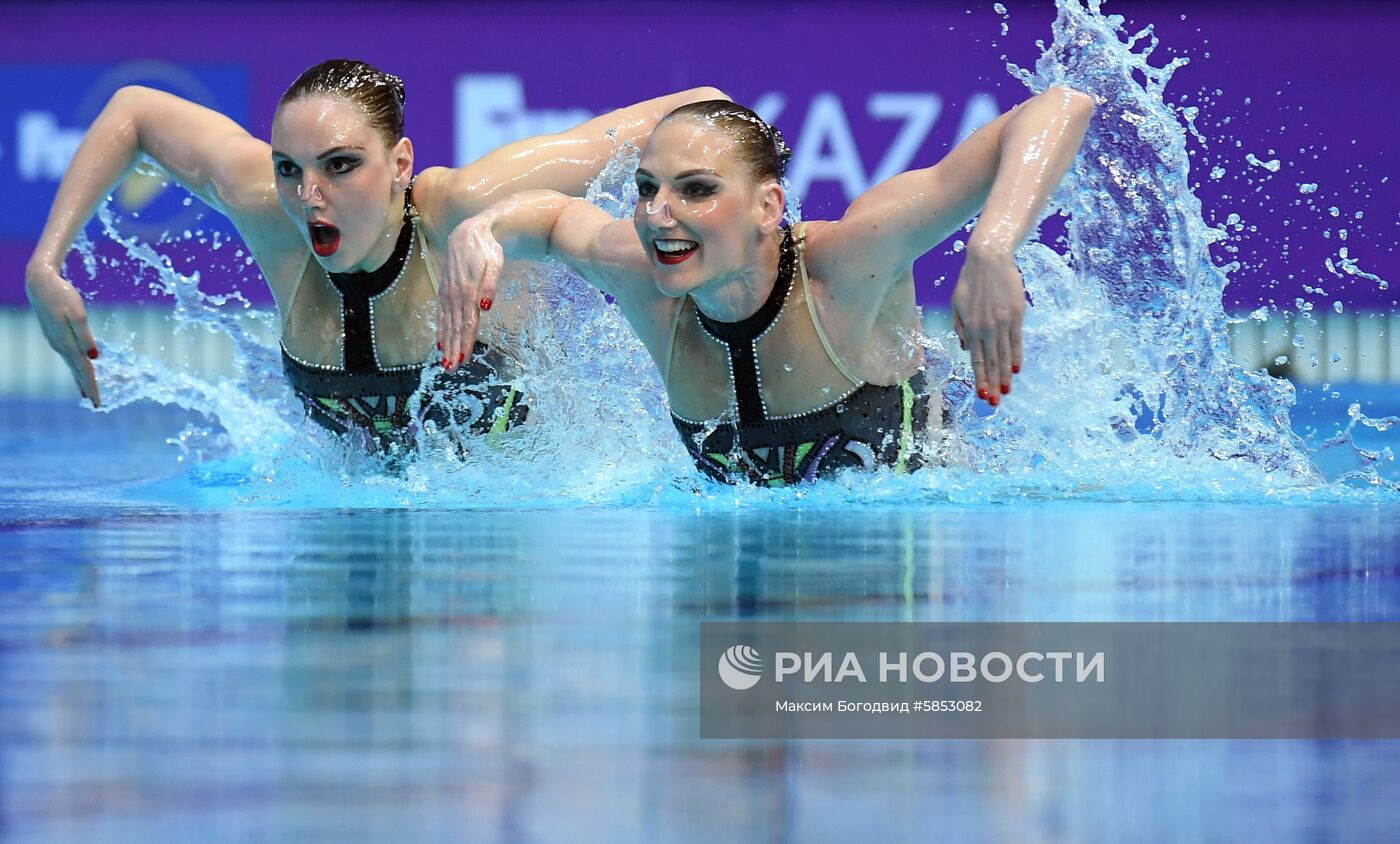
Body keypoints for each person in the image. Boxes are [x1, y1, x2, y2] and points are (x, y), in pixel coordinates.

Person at [25, 59, 724, 449]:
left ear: (399, 163)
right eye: (290, 168)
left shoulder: (462, 207)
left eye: (339, 165)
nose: (309, 194)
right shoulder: (269, 209)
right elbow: (135, 110)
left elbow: (701, 102)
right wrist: (44, 265)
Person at [436, 89, 1094, 485]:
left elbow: (1061, 107)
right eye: (646, 190)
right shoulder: (644, 277)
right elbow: (551, 221)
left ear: (767, 206)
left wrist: (992, 245)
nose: (658, 214)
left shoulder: (846, 265)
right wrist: (483, 229)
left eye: (696, 190)